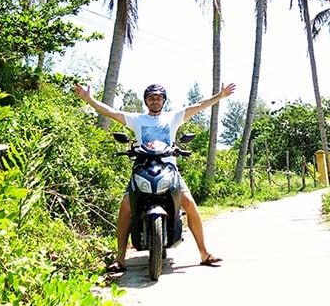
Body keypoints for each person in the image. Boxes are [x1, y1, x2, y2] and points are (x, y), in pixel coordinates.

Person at [74, 80, 236, 273]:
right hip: (142, 167)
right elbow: (111, 112)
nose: (155, 101)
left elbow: (198, 106)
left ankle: (204, 253)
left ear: (164, 100)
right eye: (151, 98)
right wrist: (89, 99)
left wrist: (220, 96)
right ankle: (120, 258)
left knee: (190, 203)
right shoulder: (137, 119)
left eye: (158, 98)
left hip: (169, 168)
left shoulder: (173, 117)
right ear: (146, 101)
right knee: (126, 205)